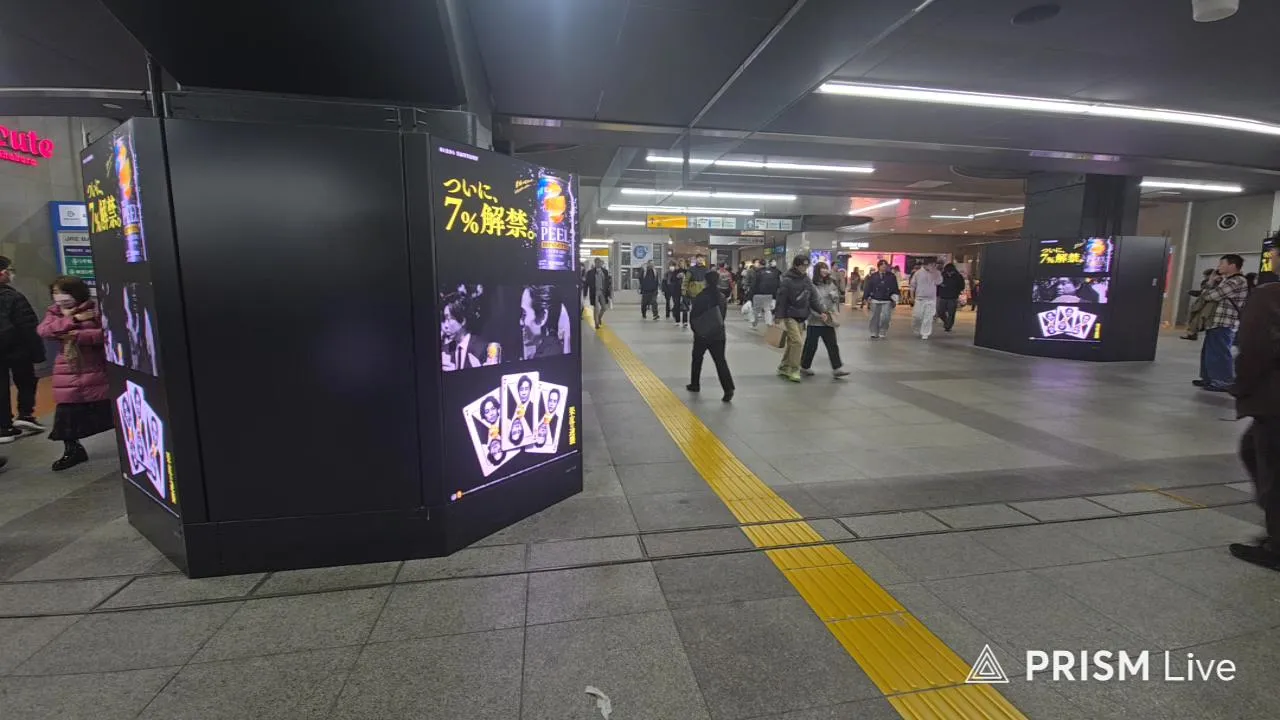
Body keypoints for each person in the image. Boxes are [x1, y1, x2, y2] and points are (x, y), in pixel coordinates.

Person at [1228, 246, 1280, 568]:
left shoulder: (1269, 296)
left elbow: (1255, 349)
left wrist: (1242, 388)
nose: (1272, 259)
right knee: (1252, 450)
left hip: (1274, 401)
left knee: (1269, 465)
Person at [37, 276, 112, 470]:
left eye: (64, 292)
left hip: (93, 368)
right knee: (67, 412)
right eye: (55, 292)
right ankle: (72, 449)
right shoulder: (54, 312)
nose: (59, 297)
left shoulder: (94, 309)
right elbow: (45, 331)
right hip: (68, 370)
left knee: (107, 408)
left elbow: (106, 334)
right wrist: (74, 319)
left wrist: (78, 336)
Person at [0, 257, 44, 442]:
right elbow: (27, 325)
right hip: (18, 348)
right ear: (3, 273)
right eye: (10, 270)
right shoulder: (13, 296)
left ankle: (4, 427)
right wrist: (38, 353)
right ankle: (25, 414)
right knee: (26, 380)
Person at [1195, 254, 1248, 392]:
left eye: (1221, 263)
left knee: (1219, 352)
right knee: (1209, 352)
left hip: (1225, 323)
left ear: (1232, 265)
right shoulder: (1226, 280)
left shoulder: (1236, 281)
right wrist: (1213, 282)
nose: (1218, 267)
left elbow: (1210, 295)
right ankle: (1209, 378)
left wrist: (1210, 283)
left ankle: (1222, 381)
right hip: (1216, 322)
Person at [774, 255, 831, 382]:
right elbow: (781, 299)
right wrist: (778, 316)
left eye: (806, 266)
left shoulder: (806, 280)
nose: (804, 268)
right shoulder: (787, 280)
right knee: (797, 342)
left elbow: (813, 298)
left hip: (801, 316)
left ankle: (784, 366)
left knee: (792, 343)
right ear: (796, 265)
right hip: (789, 315)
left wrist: (821, 311)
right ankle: (794, 369)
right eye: (802, 265)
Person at [687, 270, 734, 402]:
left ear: (706, 282)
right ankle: (728, 389)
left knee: (697, 358)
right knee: (720, 362)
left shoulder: (701, 296)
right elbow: (722, 316)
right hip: (718, 334)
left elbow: (694, 316)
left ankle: (695, 384)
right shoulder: (721, 297)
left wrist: (696, 330)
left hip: (702, 335)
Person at [800, 262, 849, 379]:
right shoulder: (811, 285)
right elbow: (809, 303)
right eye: (822, 268)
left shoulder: (831, 284)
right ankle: (805, 366)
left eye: (826, 268)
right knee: (811, 345)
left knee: (832, 344)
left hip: (828, 319)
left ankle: (837, 368)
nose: (825, 270)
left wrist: (835, 297)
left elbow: (836, 300)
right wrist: (818, 314)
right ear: (817, 270)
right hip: (815, 321)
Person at [520, 285, 569, 359]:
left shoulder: (550, 357)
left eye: (524, 314)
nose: (521, 322)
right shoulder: (547, 351)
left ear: (542, 316)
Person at [862, 260, 900, 339]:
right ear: (879, 267)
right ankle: (874, 331)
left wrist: (895, 297)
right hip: (875, 299)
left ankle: (883, 331)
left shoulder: (891, 276)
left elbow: (895, 287)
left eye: (885, 266)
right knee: (874, 317)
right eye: (882, 266)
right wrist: (866, 297)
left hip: (887, 299)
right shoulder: (873, 276)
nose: (884, 267)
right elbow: (868, 287)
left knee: (886, 317)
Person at [909, 259, 942, 340]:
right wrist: (912, 297)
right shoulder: (918, 273)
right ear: (925, 265)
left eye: (934, 265)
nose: (932, 266)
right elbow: (912, 285)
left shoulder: (936, 273)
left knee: (928, 317)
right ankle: (917, 328)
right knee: (917, 316)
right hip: (919, 298)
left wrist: (934, 273)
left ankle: (925, 333)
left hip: (931, 299)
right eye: (931, 264)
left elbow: (939, 282)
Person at [1183, 268, 1220, 340]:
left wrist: (1192, 292)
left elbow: (1204, 294)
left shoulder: (1217, 283)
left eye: (1206, 276)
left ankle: (1192, 334)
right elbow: (1202, 292)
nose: (1205, 277)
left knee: (1199, 319)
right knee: (1196, 318)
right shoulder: (1207, 282)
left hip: (1207, 304)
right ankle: (1192, 334)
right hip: (1203, 302)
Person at [750, 258, 781, 328]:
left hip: (758, 294)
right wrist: (774, 297)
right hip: (769, 294)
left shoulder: (757, 272)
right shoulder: (771, 272)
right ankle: (769, 323)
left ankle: (754, 324)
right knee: (767, 309)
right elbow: (776, 284)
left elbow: (754, 285)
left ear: (759, 264)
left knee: (756, 310)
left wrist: (750, 296)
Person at [681, 255, 710, 330]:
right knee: (693, 307)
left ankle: (701, 321)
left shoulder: (706, 269)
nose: (700, 260)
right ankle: (690, 321)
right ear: (696, 260)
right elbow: (686, 280)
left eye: (701, 258)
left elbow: (708, 280)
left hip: (703, 292)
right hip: (693, 291)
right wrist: (684, 289)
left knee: (702, 308)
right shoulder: (691, 269)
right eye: (699, 258)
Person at [936, 262, 966, 333]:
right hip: (943, 296)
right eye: (948, 272)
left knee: (951, 313)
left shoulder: (958, 276)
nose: (949, 273)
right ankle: (946, 321)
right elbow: (937, 284)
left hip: (953, 297)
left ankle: (948, 326)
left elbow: (962, 286)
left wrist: (957, 291)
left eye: (951, 272)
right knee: (940, 311)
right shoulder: (942, 275)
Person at [585, 258, 612, 329]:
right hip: (595, 292)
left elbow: (607, 283)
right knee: (596, 308)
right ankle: (596, 323)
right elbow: (586, 283)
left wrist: (609, 293)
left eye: (599, 262)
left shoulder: (605, 271)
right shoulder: (590, 272)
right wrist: (585, 293)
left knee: (604, 307)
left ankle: (599, 317)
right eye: (597, 262)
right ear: (595, 263)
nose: (598, 264)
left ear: (601, 263)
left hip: (602, 292)